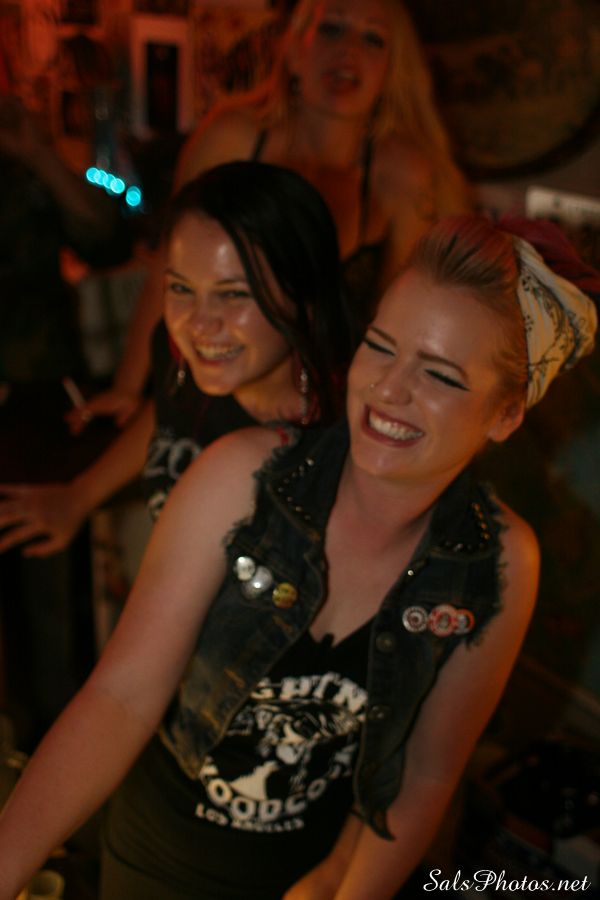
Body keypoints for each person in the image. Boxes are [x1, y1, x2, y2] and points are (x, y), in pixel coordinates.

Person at [0, 215, 595, 899]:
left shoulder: (502, 563)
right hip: (156, 863)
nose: (388, 389)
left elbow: (425, 773)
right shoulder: (241, 479)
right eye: (380, 345)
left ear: (506, 414)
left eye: (440, 375)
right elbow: (119, 698)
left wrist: (337, 888)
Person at [71, 0, 470, 432]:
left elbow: (401, 322)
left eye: (373, 38)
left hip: (331, 413)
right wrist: (128, 387)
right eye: (332, 29)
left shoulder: (400, 174)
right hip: (211, 390)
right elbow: (170, 267)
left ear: (392, 69)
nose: (349, 51)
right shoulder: (233, 138)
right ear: (294, 49)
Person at [0, 160, 355, 554]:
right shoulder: (186, 358)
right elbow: (169, 411)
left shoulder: (344, 447)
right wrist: (79, 496)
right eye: (182, 289)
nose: (198, 324)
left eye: (233, 294)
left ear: (305, 294)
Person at [0, 90, 129, 750]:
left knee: (51, 609)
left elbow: (114, 231)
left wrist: (40, 153)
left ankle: (52, 757)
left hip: (36, 409)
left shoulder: (38, 161)